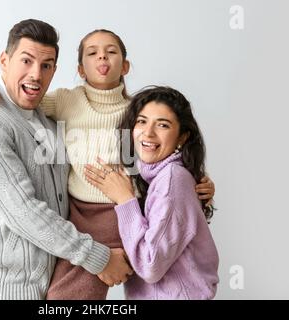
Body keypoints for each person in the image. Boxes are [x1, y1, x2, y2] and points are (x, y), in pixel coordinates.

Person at [0, 29, 216, 299]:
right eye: (92, 52)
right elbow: (25, 98)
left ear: (125, 66)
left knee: (146, 282)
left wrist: (197, 180)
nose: (102, 56)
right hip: (76, 215)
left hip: (122, 211)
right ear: (80, 69)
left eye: (111, 52)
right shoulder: (67, 100)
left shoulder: (136, 110)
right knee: (63, 294)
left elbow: (158, 159)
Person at [0, 19, 133, 300]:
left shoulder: (48, 119)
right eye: (26, 61)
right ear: (5, 61)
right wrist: (99, 259)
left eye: (46, 65)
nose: (36, 74)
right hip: (15, 290)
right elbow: (23, 211)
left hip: (61, 282)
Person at [84, 86, 220, 299]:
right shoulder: (158, 178)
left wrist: (124, 199)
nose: (148, 132)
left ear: (182, 137)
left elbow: (150, 264)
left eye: (163, 125)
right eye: (141, 121)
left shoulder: (172, 179)